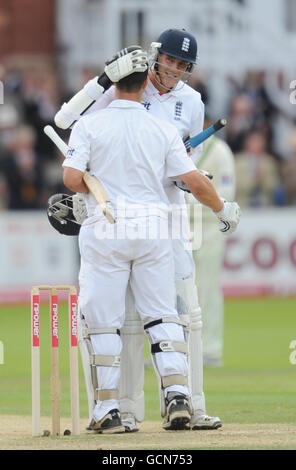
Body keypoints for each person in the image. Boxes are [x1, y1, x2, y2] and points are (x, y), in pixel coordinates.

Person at [54, 30, 227, 431]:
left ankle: (119, 410)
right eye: (170, 61)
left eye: (184, 66)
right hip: (154, 225)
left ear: (114, 82)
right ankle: (162, 401)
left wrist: (87, 189)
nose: (176, 70)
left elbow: (71, 171)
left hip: (120, 223)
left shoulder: (98, 122)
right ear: (150, 64)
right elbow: (194, 178)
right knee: (162, 316)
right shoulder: (159, 127)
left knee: (111, 320)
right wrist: (220, 206)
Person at [188, 116, 236, 367]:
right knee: (176, 291)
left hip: (208, 227)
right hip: (180, 227)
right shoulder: (181, 144)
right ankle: (178, 349)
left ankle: (210, 350)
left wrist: (190, 201)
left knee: (206, 287)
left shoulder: (219, 150)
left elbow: (227, 194)